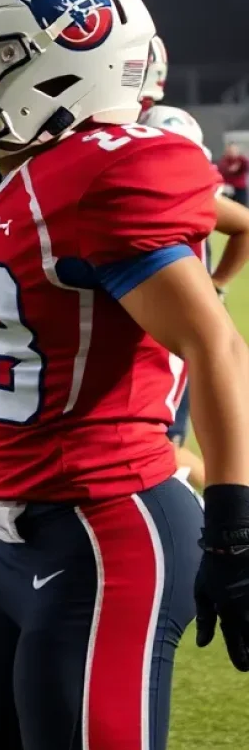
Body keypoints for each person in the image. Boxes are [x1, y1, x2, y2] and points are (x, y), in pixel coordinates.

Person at [0, 0, 249, 750]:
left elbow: (215, 345)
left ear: (58, 66)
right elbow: (17, 346)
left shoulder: (106, 174)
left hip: (108, 530)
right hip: (19, 537)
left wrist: (235, 524)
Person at [139, 41, 249, 491]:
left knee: (161, 451)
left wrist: (216, 283)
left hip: (165, 337)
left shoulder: (164, 155)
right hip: (159, 326)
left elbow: (242, 223)